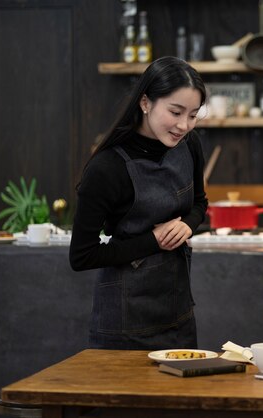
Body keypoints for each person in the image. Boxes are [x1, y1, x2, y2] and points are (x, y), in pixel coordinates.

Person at [69, 56, 208, 350]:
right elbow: (82, 256)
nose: (184, 125)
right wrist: (153, 240)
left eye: (193, 115)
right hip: (123, 323)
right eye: (175, 112)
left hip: (179, 316)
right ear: (145, 103)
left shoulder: (190, 145)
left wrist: (187, 224)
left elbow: (199, 203)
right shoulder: (107, 168)